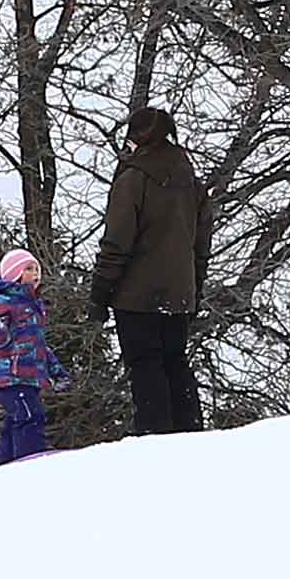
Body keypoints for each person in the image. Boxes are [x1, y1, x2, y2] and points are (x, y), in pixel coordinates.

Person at [90, 104, 209, 438]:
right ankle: (192, 436)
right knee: (175, 363)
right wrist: (194, 288)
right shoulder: (192, 182)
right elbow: (201, 246)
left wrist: (100, 294)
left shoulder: (134, 179)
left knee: (146, 368)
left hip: (137, 295)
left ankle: (156, 444)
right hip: (180, 293)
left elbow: (116, 242)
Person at [0, 247, 69, 465]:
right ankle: (30, 461)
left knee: (16, 419)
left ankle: (7, 464)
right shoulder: (4, 301)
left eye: (37, 269)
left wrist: (56, 371)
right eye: (29, 269)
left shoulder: (32, 306)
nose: (36, 273)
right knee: (30, 415)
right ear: (14, 273)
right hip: (10, 375)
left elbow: (39, 346)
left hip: (29, 376)